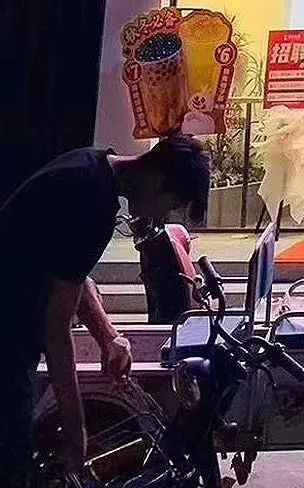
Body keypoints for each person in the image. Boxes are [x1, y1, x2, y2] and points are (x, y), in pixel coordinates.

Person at [0, 135, 210, 485]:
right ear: (158, 181)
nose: (160, 217)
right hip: (7, 340)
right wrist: (75, 428)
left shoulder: (91, 166)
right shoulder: (92, 203)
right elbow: (56, 331)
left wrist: (109, 338)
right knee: (11, 463)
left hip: (13, 329)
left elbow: (71, 274)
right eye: (169, 206)